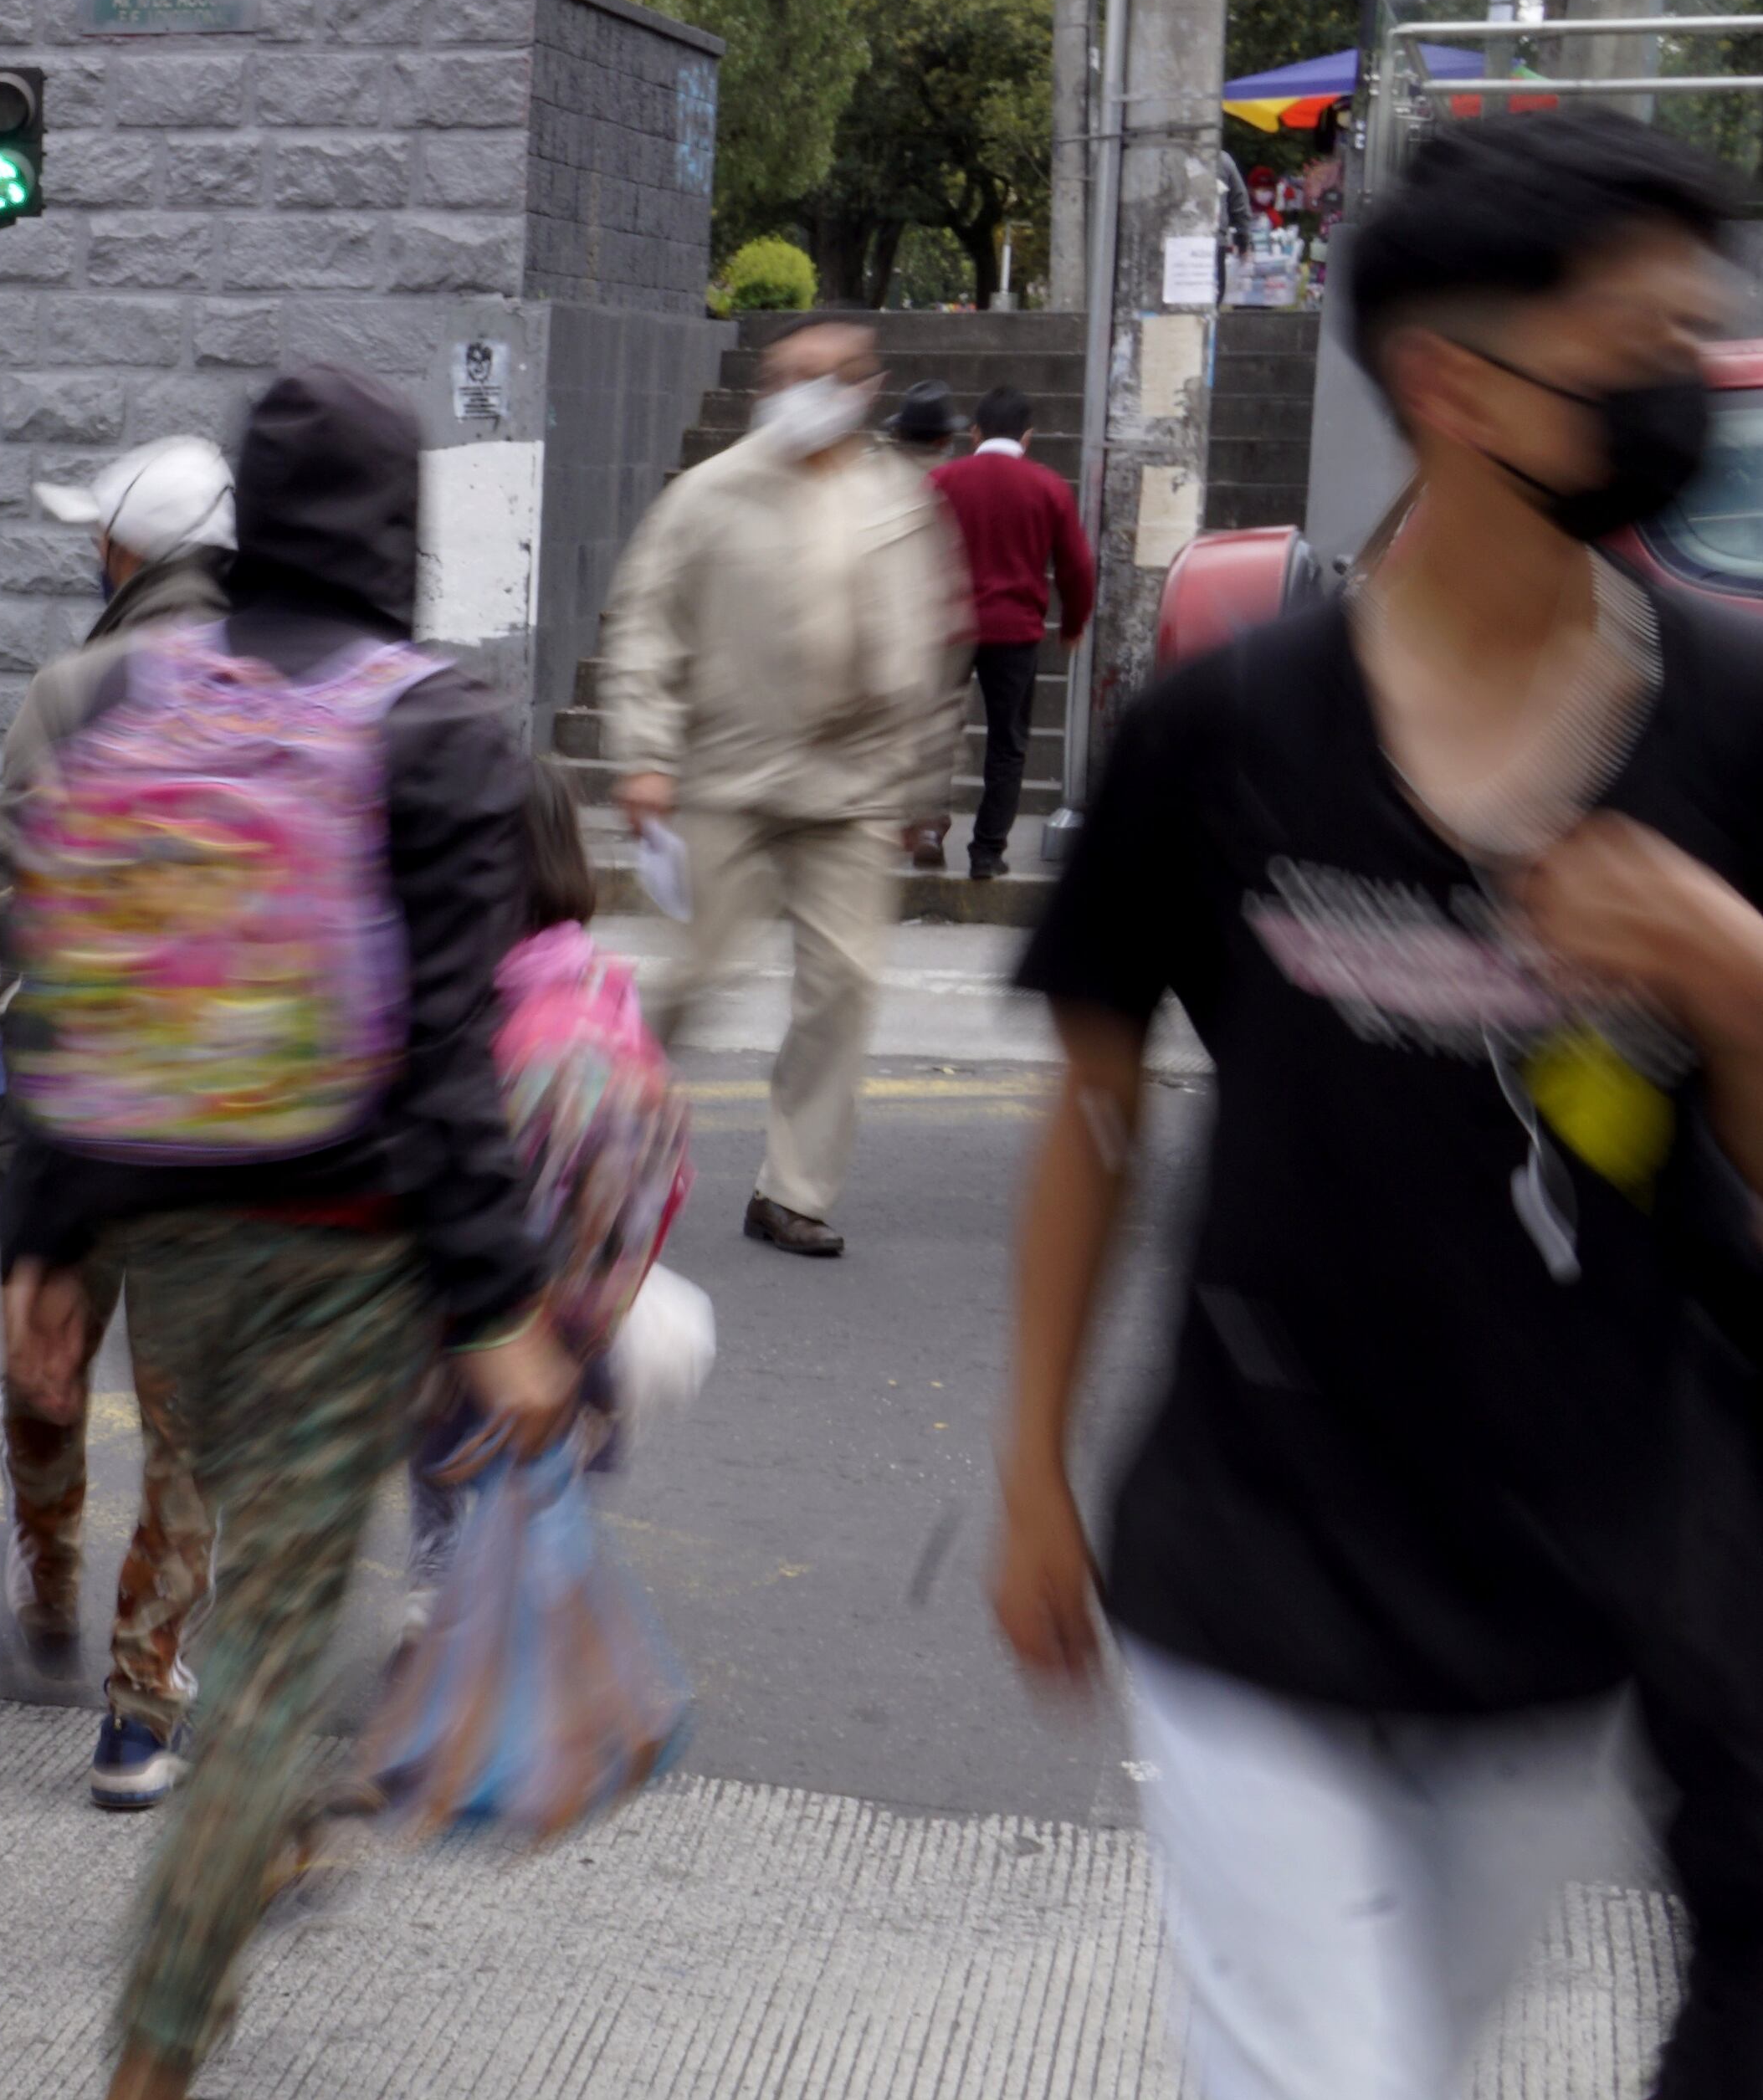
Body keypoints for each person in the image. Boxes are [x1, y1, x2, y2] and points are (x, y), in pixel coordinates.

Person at [987, 110, 1763, 2100]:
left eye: (1694, 336)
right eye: (1632, 342)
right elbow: (1094, 1107)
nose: (1677, 386)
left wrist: (1731, 975)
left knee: (1408, 2046)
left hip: (1564, 1577)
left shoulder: (1731, 718)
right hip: (1252, 1551)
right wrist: (1032, 1469)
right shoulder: (1227, 728)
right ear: (1450, 381)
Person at [0, 366, 567, 2100]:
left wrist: (43, 1242)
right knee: (262, 1658)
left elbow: (66, 976)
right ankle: (156, 2047)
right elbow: (451, 1055)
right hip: (345, 1256)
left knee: (217, 1525)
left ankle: (273, 1823)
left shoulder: (135, 691)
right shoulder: (436, 720)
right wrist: (501, 1302)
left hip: (162, 1222)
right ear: (401, 524)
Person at [0, 430, 235, 1809]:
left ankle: (47, 1561)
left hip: (76, 1104)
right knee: (191, 1428)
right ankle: (141, 1706)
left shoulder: (74, 691)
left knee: (46, 1358)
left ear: (124, 553)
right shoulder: (295, 693)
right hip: (227, 1125)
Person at [597, 315, 970, 1257]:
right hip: (727, 775)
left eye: (828, 375)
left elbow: (933, 651)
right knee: (697, 970)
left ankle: (791, 1191)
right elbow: (644, 626)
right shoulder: (708, 493)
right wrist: (644, 754)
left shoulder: (896, 496)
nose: (806, 391)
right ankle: (587, 1126)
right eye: (791, 373)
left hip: (852, 787)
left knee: (844, 985)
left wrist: (920, 790)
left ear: (865, 388)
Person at [407, 765, 693, 1591]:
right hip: (587, 1304)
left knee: (447, 1441)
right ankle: (541, 1590)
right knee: (548, 1473)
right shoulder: (603, 983)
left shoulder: (475, 992)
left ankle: (438, 1581)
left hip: (487, 1301)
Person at [923, 387, 1095, 883]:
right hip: (1015, 631)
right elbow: (1077, 567)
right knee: (1008, 743)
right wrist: (1074, 623)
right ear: (1028, 436)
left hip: (948, 629)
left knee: (936, 731)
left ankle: (930, 826)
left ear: (974, 432)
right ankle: (987, 850)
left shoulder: (941, 481)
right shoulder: (1048, 487)